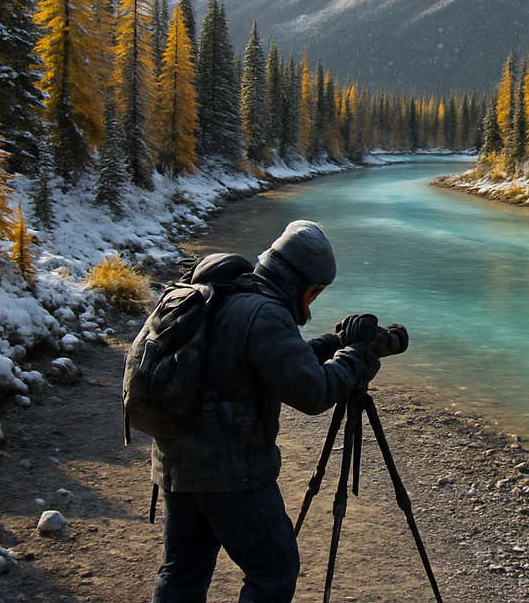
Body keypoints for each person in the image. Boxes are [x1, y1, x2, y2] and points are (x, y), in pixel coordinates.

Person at [150, 219, 400, 603]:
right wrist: (357, 357)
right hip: (231, 472)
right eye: (315, 294)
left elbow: (275, 362)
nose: (312, 305)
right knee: (274, 570)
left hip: (176, 459)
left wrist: (333, 343)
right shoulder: (265, 314)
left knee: (183, 569)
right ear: (305, 285)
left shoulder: (226, 291)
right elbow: (313, 392)